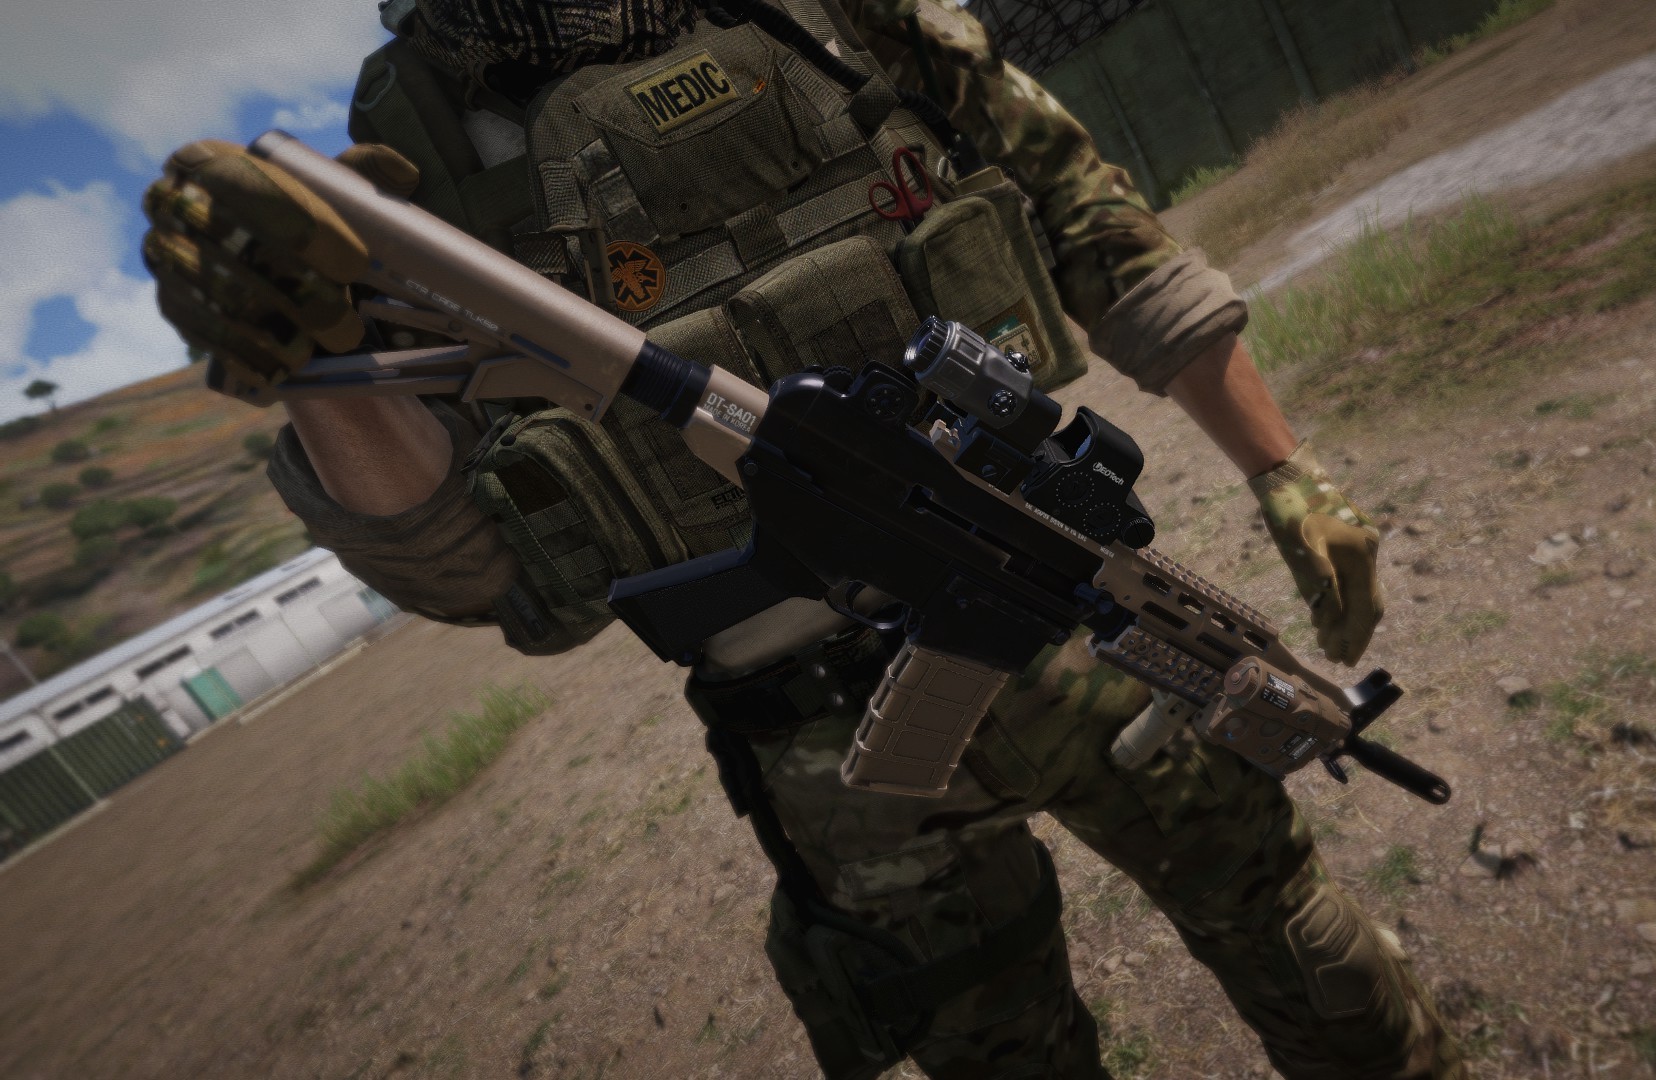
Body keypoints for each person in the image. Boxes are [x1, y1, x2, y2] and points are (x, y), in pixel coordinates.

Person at [142, 1, 1465, 1076]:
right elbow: (482, 572)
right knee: (999, 1052)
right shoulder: (408, 162)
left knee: (1293, 936)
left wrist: (1286, 471)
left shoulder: (837, 13)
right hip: (824, 735)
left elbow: (1087, 217)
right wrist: (318, 369)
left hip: (1064, 617)